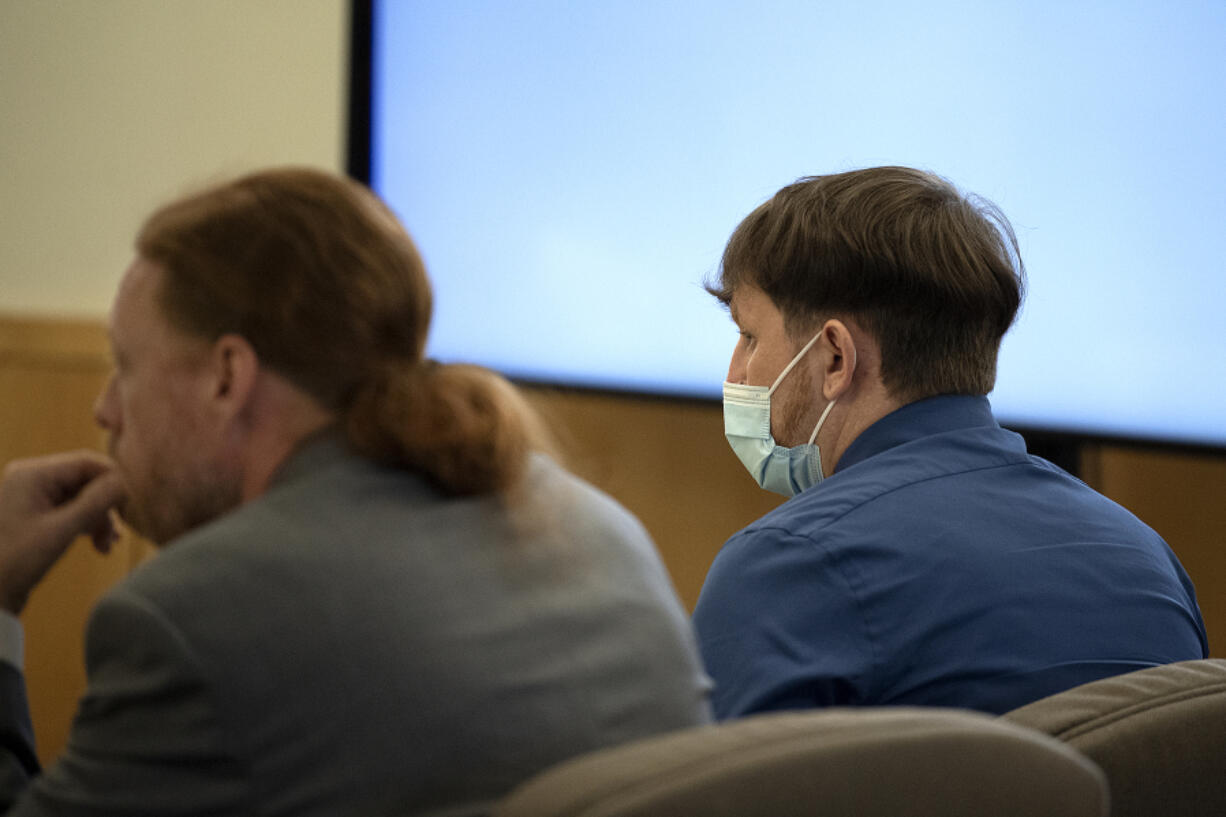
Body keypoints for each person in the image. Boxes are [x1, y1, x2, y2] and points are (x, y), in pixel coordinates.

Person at [0, 168, 711, 816]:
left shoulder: (188, 619)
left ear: (227, 377)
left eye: (124, 366)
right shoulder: (603, 529)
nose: (104, 410)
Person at [692, 166, 1208, 719]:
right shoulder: (1148, 560)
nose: (737, 372)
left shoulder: (787, 568)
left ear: (836, 358)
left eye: (749, 336)